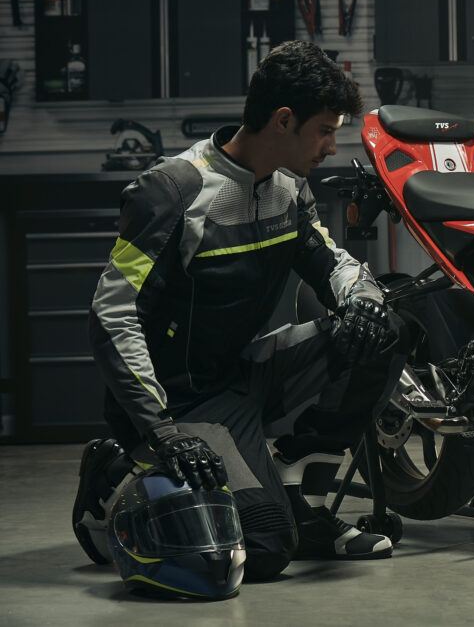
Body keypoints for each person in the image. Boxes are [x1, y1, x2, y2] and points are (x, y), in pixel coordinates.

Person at [72, 40, 405, 584]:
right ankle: (113, 479)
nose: (332, 146)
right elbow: (113, 314)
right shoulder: (173, 192)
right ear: (283, 120)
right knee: (267, 550)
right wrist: (160, 430)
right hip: (180, 403)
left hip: (245, 372)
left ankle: (304, 503)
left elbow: (333, 262)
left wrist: (361, 299)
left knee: (384, 327)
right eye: (324, 131)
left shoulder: (289, 188)